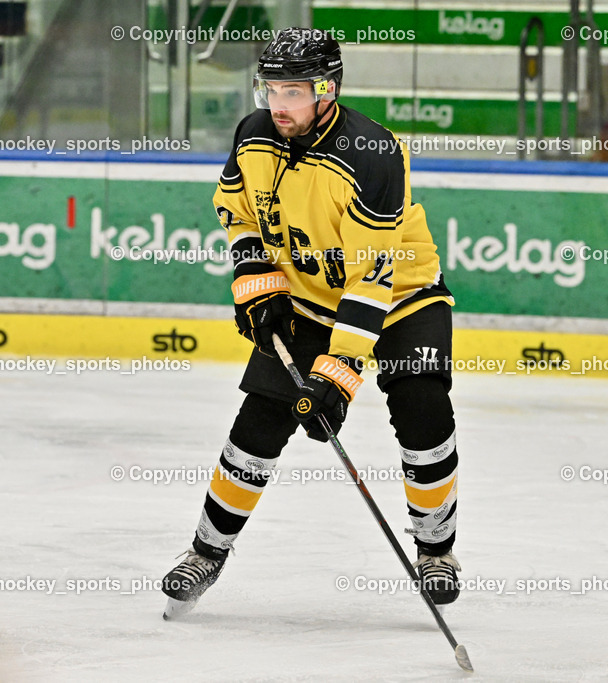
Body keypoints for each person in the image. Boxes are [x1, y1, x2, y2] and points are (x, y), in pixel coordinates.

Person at [162, 27, 461, 619]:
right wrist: (258, 282)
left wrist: (340, 372)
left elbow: (371, 276)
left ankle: (436, 553)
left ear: (328, 90)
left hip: (401, 296)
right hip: (306, 300)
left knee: (422, 405)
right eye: (270, 89)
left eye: (293, 91)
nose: (278, 105)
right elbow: (236, 212)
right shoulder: (253, 137)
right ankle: (206, 551)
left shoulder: (373, 155)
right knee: (258, 422)